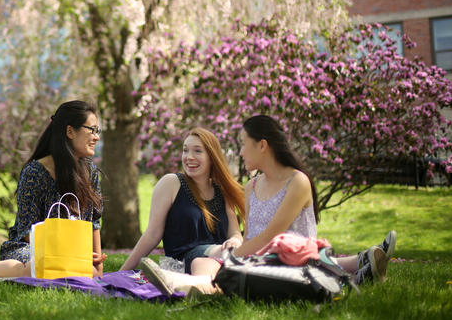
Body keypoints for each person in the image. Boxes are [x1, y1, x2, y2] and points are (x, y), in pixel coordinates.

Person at [140, 115, 396, 296]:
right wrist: (237, 253)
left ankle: (359, 269)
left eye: (243, 144)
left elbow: (272, 235)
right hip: (264, 258)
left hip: (293, 257)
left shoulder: (298, 182)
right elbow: (252, 236)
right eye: (186, 150)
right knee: (223, 269)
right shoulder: (251, 186)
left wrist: (232, 257)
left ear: (262, 145)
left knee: (287, 260)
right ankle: (363, 264)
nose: (239, 152)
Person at [0, 100, 106, 278]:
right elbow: (27, 231)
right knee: (41, 268)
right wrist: (69, 254)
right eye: (91, 130)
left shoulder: (90, 172)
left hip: (74, 255)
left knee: (87, 274)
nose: (96, 137)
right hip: (30, 249)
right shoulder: (34, 172)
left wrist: (97, 266)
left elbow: (94, 222)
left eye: (97, 131)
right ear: (70, 131)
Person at [120, 127, 244, 293]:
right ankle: (191, 283)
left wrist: (235, 240)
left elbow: (235, 233)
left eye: (197, 151)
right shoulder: (172, 183)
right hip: (183, 261)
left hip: (217, 261)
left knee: (211, 263)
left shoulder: (222, 191)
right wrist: (121, 273)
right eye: (185, 150)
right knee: (211, 258)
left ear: (212, 158)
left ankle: (202, 288)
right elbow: (152, 234)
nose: (189, 157)